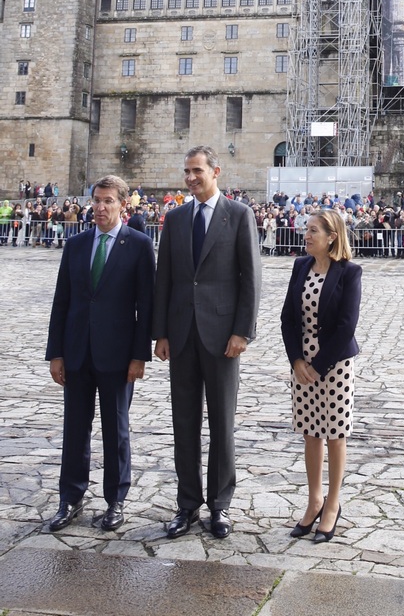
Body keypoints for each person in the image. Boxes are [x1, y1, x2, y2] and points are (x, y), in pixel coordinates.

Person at [153, 146, 261, 541]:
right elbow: (164, 278)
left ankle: (220, 504)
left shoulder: (239, 215)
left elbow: (250, 278)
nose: (190, 178)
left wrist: (242, 331)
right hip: (181, 335)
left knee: (222, 424)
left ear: (216, 171)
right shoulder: (176, 218)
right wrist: (160, 332)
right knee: (184, 423)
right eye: (186, 172)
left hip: (222, 339)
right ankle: (186, 504)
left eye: (197, 171)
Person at [45, 174, 155, 532]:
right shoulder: (76, 244)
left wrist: (139, 355)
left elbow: (146, 306)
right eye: (96, 200)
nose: (100, 207)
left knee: (115, 429)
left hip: (118, 356)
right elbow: (62, 301)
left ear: (123, 203)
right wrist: (56, 353)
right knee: (75, 429)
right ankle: (70, 498)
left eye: (108, 201)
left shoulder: (138, 245)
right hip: (77, 352)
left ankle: (115, 500)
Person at [281, 208, 362, 543]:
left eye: (314, 230)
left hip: (335, 363)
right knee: (309, 432)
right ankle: (314, 499)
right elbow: (287, 317)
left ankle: (332, 503)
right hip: (303, 362)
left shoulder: (349, 272)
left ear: (332, 236)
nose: (307, 234)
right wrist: (297, 360)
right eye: (307, 229)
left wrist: (318, 365)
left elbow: (347, 326)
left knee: (334, 433)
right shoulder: (301, 267)